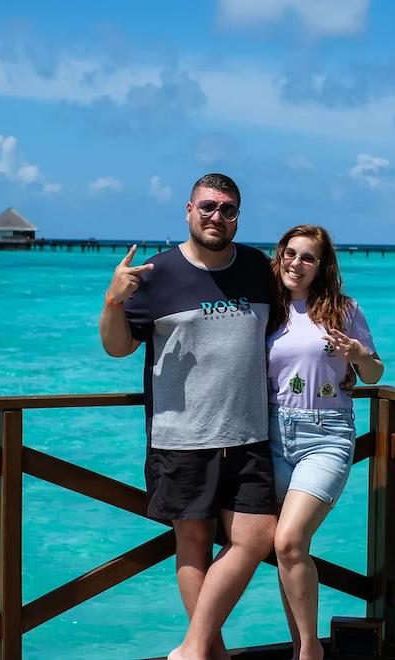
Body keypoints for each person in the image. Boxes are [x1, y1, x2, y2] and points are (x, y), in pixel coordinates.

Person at [99, 173, 277, 660]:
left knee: (257, 538)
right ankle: (210, 655)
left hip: (249, 434)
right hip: (181, 437)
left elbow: (291, 326)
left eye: (228, 209)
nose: (217, 216)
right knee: (193, 547)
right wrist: (113, 298)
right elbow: (117, 347)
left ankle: (192, 650)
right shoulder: (156, 274)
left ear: (238, 215)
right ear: (188, 210)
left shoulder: (259, 268)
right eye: (208, 207)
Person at [266, 225, 384, 660]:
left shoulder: (344, 310)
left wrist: (358, 355)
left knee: (289, 541)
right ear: (279, 256)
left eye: (308, 257)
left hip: (327, 435)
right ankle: (302, 646)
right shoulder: (266, 309)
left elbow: (375, 374)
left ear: (322, 266)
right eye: (290, 254)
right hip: (272, 433)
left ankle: (310, 650)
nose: (297, 263)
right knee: (289, 549)